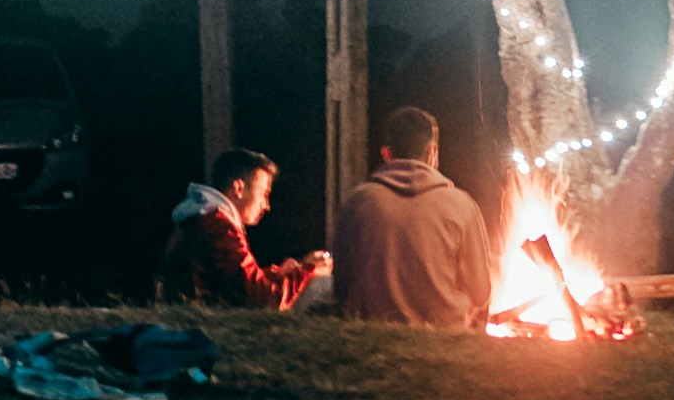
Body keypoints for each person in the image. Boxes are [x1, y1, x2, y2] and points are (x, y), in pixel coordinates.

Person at [329, 105, 501, 327]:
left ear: (386, 154)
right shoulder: (462, 206)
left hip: (372, 342)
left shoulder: (356, 203)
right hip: (444, 344)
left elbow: (341, 287)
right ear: (432, 152)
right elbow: (481, 293)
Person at [151, 149, 329, 311]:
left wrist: (281, 273)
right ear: (238, 188)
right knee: (322, 289)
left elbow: (237, 281)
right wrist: (309, 270)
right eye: (264, 194)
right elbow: (265, 299)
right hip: (208, 328)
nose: (266, 206)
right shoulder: (218, 225)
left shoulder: (203, 217)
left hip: (195, 318)